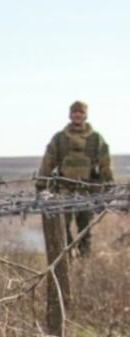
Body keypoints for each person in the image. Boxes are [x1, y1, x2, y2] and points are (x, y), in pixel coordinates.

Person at [36, 100, 114, 256]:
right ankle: (68, 255)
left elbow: (106, 162)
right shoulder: (59, 138)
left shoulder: (96, 138)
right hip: (63, 190)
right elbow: (48, 161)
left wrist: (109, 183)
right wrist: (41, 183)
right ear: (70, 115)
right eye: (75, 112)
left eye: (81, 112)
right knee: (61, 227)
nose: (78, 115)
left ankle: (85, 260)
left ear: (85, 115)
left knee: (85, 228)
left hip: (87, 190)